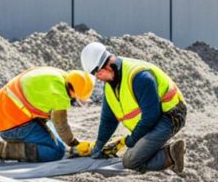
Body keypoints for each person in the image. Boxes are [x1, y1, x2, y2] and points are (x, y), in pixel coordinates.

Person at [80, 42, 187, 173]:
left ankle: (171, 153)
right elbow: (108, 119)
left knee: (130, 161)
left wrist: (132, 141)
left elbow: (151, 116)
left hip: (171, 115)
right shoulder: (110, 86)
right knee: (137, 152)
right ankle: (158, 150)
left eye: (98, 74)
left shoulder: (139, 77)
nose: (98, 79)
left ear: (107, 66)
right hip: (152, 121)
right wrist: (99, 145)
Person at [0, 68, 95, 166]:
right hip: (13, 126)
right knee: (56, 152)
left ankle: (14, 144)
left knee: (59, 144)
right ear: (74, 92)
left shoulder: (57, 74)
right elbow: (61, 125)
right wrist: (74, 144)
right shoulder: (60, 95)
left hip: (4, 109)